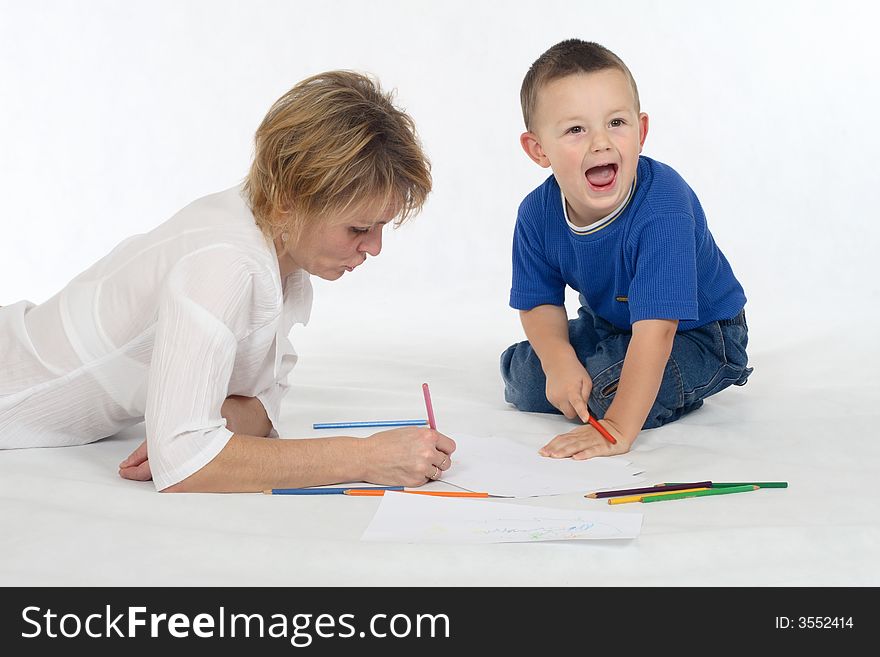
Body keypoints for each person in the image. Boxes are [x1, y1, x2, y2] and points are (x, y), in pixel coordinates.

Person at [0, 70, 455, 492]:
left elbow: (258, 407)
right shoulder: (225, 263)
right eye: (358, 229)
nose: (374, 247)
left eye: (380, 227)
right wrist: (367, 458)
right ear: (287, 201)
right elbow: (185, 465)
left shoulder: (282, 256)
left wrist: (191, 430)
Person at [500, 39, 752, 461]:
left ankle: (665, 387)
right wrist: (559, 360)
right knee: (526, 377)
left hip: (699, 335)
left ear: (642, 131)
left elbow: (659, 329)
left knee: (602, 395)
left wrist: (616, 428)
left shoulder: (663, 208)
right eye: (576, 130)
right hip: (612, 325)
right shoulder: (535, 214)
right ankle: (610, 371)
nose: (600, 143)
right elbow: (539, 302)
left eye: (616, 123)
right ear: (538, 149)